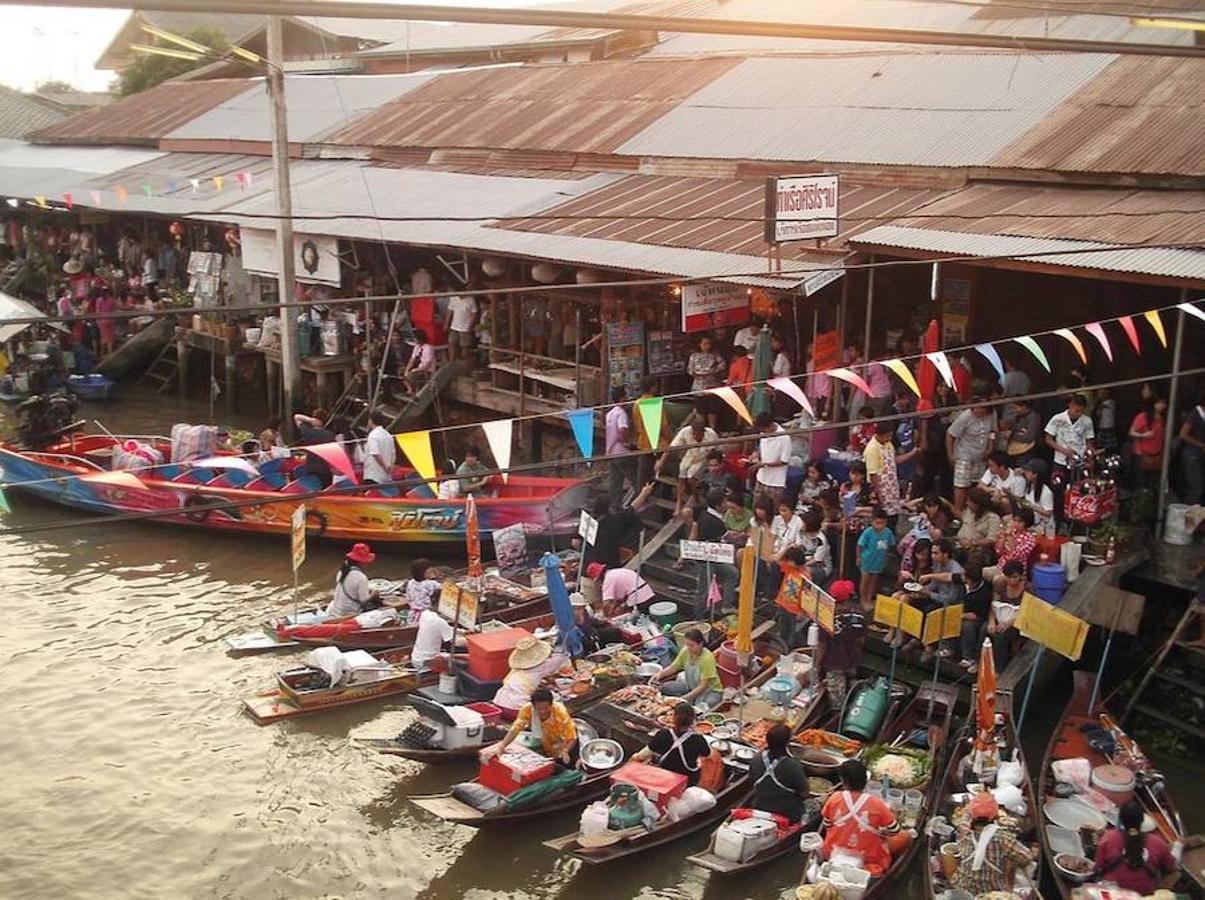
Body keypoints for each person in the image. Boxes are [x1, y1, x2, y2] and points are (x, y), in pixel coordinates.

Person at [822, 758, 907, 877]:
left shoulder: (834, 798)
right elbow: (895, 830)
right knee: (906, 837)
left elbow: (827, 824)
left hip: (832, 851)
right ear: (866, 780)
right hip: (868, 858)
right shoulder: (877, 803)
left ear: (843, 781)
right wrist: (882, 832)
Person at [951, 793, 1033, 896]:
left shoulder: (964, 833)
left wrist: (971, 808)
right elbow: (1026, 858)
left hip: (962, 889)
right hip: (990, 892)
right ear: (995, 816)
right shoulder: (1003, 838)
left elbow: (964, 820)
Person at [1094, 800, 1178, 893]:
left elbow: (1099, 866)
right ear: (1142, 820)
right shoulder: (1157, 842)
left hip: (1112, 891)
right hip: (1143, 894)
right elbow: (1171, 867)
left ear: (1120, 819)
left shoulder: (1109, 837)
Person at [482, 686, 579, 767]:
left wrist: (565, 750)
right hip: (547, 741)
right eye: (539, 708)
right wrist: (502, 746)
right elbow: (516, 728)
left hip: (565, 742)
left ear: (551, 704)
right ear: (533, 705)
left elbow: (572, 737)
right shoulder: (527, 710)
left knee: (569, 764)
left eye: (546, 708)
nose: (542, 711)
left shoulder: (560, 712)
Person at [688, 488, 738, 615]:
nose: (727, 504)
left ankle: (727, 605)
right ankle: (698, 617)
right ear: (718, 505)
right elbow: (726, 536)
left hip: (714, 556)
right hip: (706, 559)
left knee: (732, 573)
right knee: (703, 589)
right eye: (725, 502)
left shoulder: (704, 513)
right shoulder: (715, 521)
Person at [634, 704, 711, 786]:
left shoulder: (663, 734)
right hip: (689, 778)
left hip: (666, 774)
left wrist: (634, 758)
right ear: (693, 720)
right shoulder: (698, 739)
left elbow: (643, 755)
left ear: (674, 718)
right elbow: (707, 754)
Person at [748, 723, 811, 822]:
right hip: (787, 814)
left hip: (760, 807)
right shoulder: (792, 766)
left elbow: (751, 779)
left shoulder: (756, 758)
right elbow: (804, 793)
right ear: (787, 744)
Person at [656, 417, 719, 514]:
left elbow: (714, 452)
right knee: (682, 475)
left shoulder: (711, 435)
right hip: (690, 455)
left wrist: (708, 462)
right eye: (694, 433)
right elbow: (671, 447)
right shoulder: (685, 432)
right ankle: (679, 503)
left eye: (698, 434)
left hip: (704, 457)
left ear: (703, 432)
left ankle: (696, 498)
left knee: (691, 476)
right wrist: (661, 461)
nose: (695, 436)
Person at [585, 482, 656, 569]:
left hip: (588, 564)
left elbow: (575, 542)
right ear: (609, 507)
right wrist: (644, 493)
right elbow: (633, 508)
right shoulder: (616, 520)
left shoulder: (587, 520)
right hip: (609, 565)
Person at [492, 637, 569, 715]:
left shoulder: (517, 667)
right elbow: (560, 657)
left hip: (498, 702)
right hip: (517, 710)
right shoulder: (541, 667)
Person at [817, 580, 864, 707]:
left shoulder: (826, 617)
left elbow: (822, 644)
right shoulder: (859, 614)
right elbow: (860, 640)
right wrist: (856, 656)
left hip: (833, 662)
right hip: (852, 658)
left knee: (837, 700)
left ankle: (837, 716)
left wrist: (817, 665)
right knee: (851, 682)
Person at [652, 628, 724, 708]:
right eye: (687, 644)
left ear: (700, 643)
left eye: (691, 645)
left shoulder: (707, 658)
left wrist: (683, 699)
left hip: (710, 691)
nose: (689, 647)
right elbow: (673, 667)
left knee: (707, 704)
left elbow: (703, 686)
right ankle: (690, 699)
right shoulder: (686, 651)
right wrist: (659, 675)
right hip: (691, 685)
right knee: (665, 687)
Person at [947, 400, 997, 514]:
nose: (976, 411)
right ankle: (958, 512)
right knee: (961, 485)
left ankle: (975, 511)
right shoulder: (965, 416)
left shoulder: (992, 414)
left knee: (978, 485)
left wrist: (990, 446)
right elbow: (950, 435)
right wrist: (951, 455)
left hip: (981, 455)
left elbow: (993, 432)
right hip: (964, 454)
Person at [1045, 393, 1096, 479]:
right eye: (1077, 411)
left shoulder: (1087, 421)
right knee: (1058, 485)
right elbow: (1048, 439)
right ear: (1070, 405)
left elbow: (1089, 442)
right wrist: (1064, 451)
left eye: (1081, 411)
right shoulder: (1058, 418)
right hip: (1060, 460)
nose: (1079, 414)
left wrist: (1091, 457)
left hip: (1080, 460)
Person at [856, 508, 895, 614]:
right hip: (867, 560)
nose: (879, 525)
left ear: (886, 522)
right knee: (865, 580)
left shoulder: (888, 532)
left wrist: (886, 557)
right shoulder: (868, 532)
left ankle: (869, 599)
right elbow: (860, 545)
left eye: (882, 523)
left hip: (879, 561)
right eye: (877, 523)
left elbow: (890, 545)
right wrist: (858, 557)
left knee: (873, 581)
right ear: (872, 521)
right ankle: (863, 600)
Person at [324, 543, 379, 619]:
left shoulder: (342, 571)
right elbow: (364, 601)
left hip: (336, 610)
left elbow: (349, 587)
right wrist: (374, 594)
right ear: (361, 562)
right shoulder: (361, 578)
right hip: (348, 613)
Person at [632, 376, 669, 488]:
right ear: (652, 387)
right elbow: (664, 426)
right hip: (658, 443)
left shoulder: (637, 403)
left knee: (643, 476)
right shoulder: (654, 403)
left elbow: (636, 424)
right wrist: (670, 439)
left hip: (643, 442)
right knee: (663, 471)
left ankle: (642, 496)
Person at [989, 560, 1026, 669]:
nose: (1011, 580)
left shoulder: (1028, 589)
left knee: (1002, 636)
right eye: (1008, 577)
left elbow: (1026, 612)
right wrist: (991, 622)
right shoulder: (1001, 586)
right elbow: (993, 605)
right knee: (984, 630)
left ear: (1020, 576)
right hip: (1000, 617)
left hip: (1016, 622)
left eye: (1014, 577)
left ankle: (998, 668)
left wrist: (1009, 623)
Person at [1128, 394, 1168, 493]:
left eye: (1163, 403)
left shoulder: (1163, 418)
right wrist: (1144, 435)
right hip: (1143, 455)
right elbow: (1131, 432)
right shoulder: (1143, 416)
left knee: (1154, 485)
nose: (1161, 406)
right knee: (1141, 486)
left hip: (1157, 455)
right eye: (1158, 403)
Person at [864, 421, 902, 521]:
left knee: (894, 517)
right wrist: (879, 493)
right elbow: (873, 474)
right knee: (884, 518)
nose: (889, 438)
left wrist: (912, 454)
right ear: (880, 435)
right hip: (881, 488)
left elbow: (893, 460)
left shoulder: (888, 444)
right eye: (887, 436)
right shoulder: (872, 449)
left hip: (892, 487)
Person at [586, 561, 655, 616]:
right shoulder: (616, 572)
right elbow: (617, 600)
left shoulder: (608, 580)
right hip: (647, 592)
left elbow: (607, 603)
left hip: (639, 598)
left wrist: (605, 616)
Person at [957, 564, 992, 671]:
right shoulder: (963, 582)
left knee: (968, 625)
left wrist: (960, 615)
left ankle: (973, 658)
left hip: (980, 617)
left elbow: (977, 615)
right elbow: (949, 577)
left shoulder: (984, 593)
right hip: (963, 610)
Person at [751, 411, 792, 502]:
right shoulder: (763, 433)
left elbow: (784, 461)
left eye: (764, 429)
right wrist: (756, 454)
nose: (763, 432)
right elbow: (761, 447)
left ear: (770, 425)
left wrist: (764, 464)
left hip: (776, 481)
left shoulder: (784, 438)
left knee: (772, 509)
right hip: (761, 478)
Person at [605, 386, 636, 509]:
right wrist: (626, 442)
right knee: (636, 479)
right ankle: (639, 502)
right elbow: (622, 429)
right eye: (625, 397)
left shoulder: (609, 414)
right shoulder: (621, 414)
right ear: (622, 398)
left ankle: (614, 506)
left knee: (615, 482)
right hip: (621, 451)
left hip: (611, 452)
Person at [687, 336, 725, 429]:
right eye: (704, 344)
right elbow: (689, 369)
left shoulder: (715, 356)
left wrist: (714, 371)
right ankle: (701, 427)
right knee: (700, 410)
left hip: (712, 386)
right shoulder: (694, 356)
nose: (707, 346)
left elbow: (723, 365)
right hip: (699, 387)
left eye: (708, 344)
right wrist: (695, 373)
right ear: (699, 345)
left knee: (712, 410)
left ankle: (712, 428)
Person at [957, 488, 1002, 557]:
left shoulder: (993, 518)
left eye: (970, 501)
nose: (967, 503)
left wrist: (973, 543)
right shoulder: (969, 511)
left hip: (977, 550)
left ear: (977, 504)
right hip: (959, 543)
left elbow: (992, 540)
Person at [410, 607, 457, 672]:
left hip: (416, 657)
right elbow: (456, 642)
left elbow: (443, 629)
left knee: (447, 654)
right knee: (458, 661)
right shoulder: (440, 622)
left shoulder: (425, 613)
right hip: (428, 661)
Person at [1179, 389, 1205, 505]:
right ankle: (1185, 515)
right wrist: (1200, 444)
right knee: (1196, 488)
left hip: (1199, 455)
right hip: (1192, 455)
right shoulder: (1195, 413)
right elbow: (1183, 434)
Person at [1019, 458, 1055, 536]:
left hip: (1043, 526)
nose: (1025, 473)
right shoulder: (1029, 486)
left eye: (1028, 471)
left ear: (1035, 474)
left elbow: (1048, 512)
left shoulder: (1046, 492)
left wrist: (1032, 507)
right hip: (1031, 520)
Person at [362, 409, 396, 485]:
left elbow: (375, 453)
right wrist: (390, 467)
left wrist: (385, 467)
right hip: (386, 476)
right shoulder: (388, 435)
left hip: (373, 475)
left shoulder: (373, 435)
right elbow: (393, 454)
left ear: (370, 421)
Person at [1002, 399, 1041, 464]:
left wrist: (1012, 435)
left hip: (1027, 451)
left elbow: (1030, 437)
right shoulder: (1017, 417)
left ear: (1024, 406)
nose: (1014, 410)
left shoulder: (1033, 417)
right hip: (1014, 449)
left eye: (1015, 408)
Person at [443, 291, 477, 362]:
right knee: (451, 344)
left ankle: (464, 363)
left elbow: (474, 313)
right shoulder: (453, 298)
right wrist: (446, 323)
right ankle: (451, 362)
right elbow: (450, 311)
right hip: (454, 326)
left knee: (464, 347)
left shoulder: (470, 300)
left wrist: (470, 326)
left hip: (465, 328)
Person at [402, 328, 436, 394]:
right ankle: (410, 389)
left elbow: (427, 365)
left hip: (427, 370)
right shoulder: (417, 347)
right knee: (402, 372)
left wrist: (415, 370)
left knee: (413, 375)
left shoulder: (428, 348)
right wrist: (407, 370)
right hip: (418, 368)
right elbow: (412, 359)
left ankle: (416, 391)